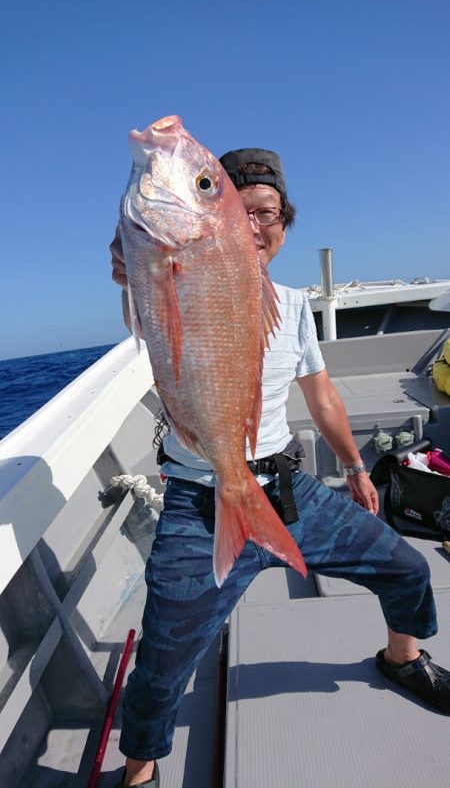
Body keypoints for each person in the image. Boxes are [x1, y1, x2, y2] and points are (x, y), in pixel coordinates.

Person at [110, 148, 450, 788]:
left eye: (271, 214)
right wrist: (133, 265)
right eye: (245, 211)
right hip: (198, 499)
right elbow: (143, 289)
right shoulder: (177, 274)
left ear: (283, 225)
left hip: (290, 490)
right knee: (164, 655)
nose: (260, 226)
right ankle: (139, 769)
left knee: (406, 567)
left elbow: (321, 397)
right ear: (224, 223)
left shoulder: (290, 305)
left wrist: (352, 469)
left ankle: (402, 660)